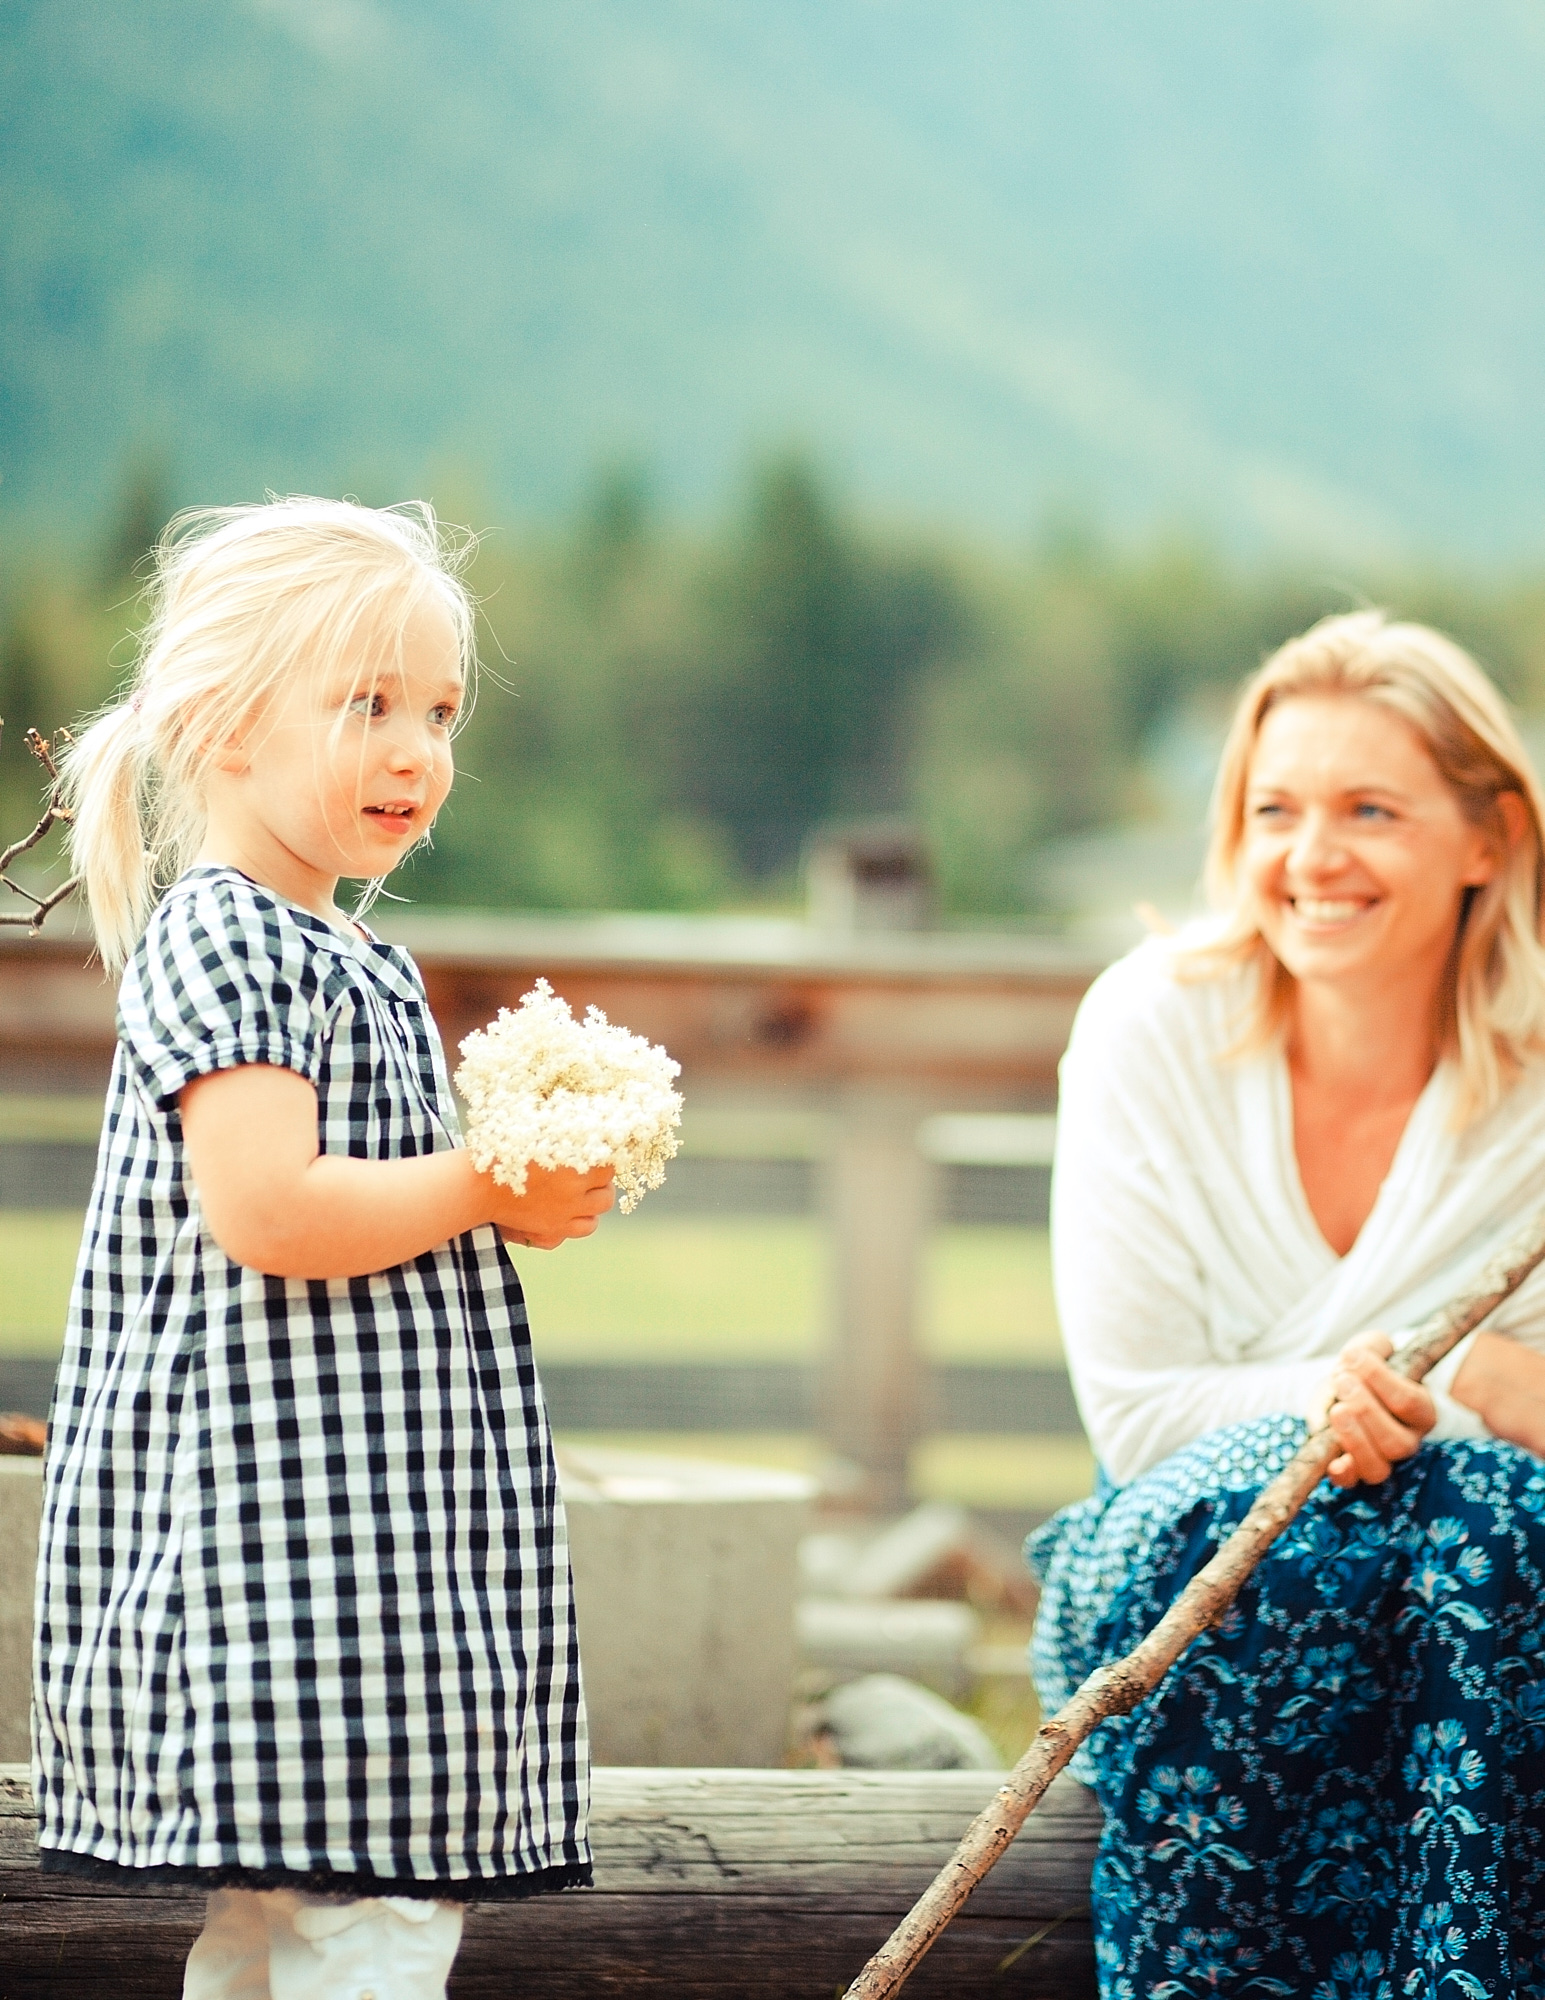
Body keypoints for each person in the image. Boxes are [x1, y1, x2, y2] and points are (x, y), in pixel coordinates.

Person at [32, 498, 614, 2000]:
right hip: (285, 1566)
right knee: (371, 1925)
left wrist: (510, 1191)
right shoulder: (230, 937)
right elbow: (273, 1210)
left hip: (359, 1556)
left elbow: (381, 1215)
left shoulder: (348, 949)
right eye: (367, 706)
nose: (417, 750)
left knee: (281, 1937)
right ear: (224, 726)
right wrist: (483, 1185)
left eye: (439, 711)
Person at [1029, 611, 1545, 1999]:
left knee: (1485, 1537)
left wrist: (1493, 1386)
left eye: (1367, 809)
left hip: (1475, 1598)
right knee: (1364, 1542)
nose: (1309, 859)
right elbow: (1139, 1420)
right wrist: (1384, 1397)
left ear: (1487, 837)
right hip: (1183, 1569)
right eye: (1274, 810)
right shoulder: (1150, 1027)